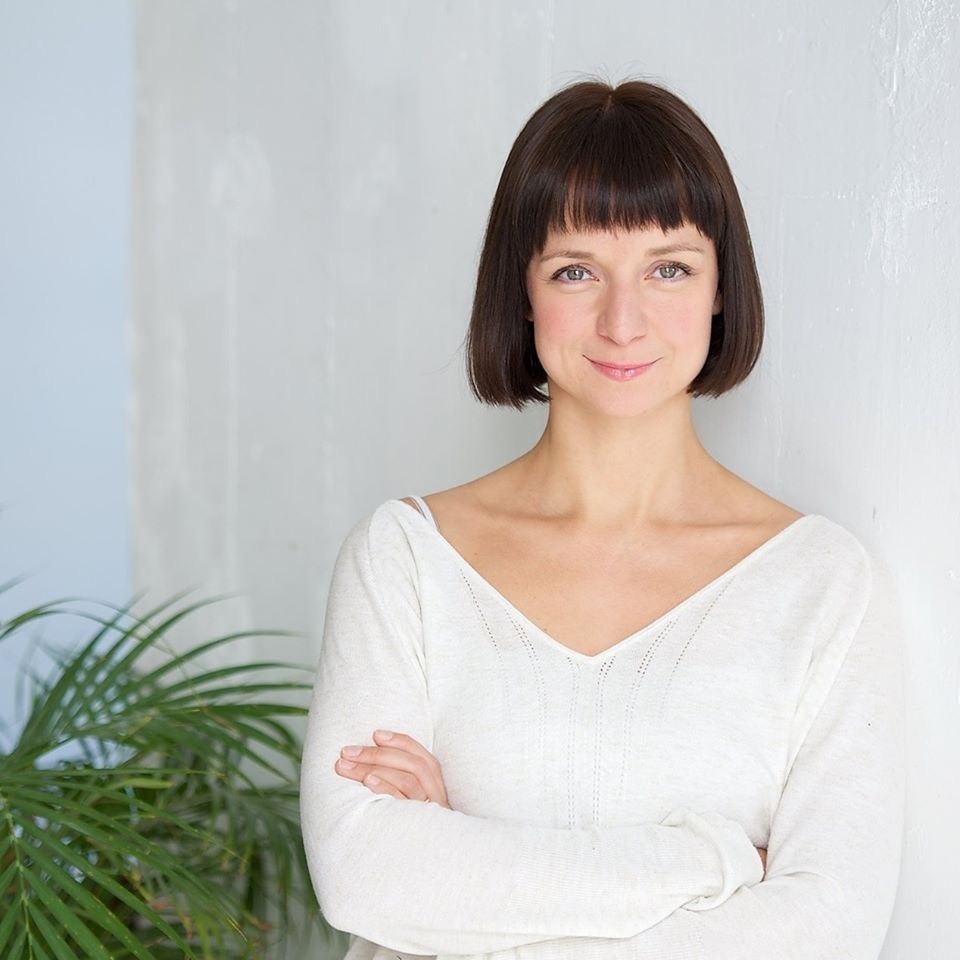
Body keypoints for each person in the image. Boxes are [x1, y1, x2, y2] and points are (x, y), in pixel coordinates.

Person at [299, 77, 905, 960]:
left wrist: (464, 881)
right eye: (576, 272)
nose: (624, 322)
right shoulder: (405, 561)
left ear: (721, 287)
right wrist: (716, 862)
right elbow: (366, 879)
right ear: (522, 290)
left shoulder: (823, 584)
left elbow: (829, 933)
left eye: (669, 269)